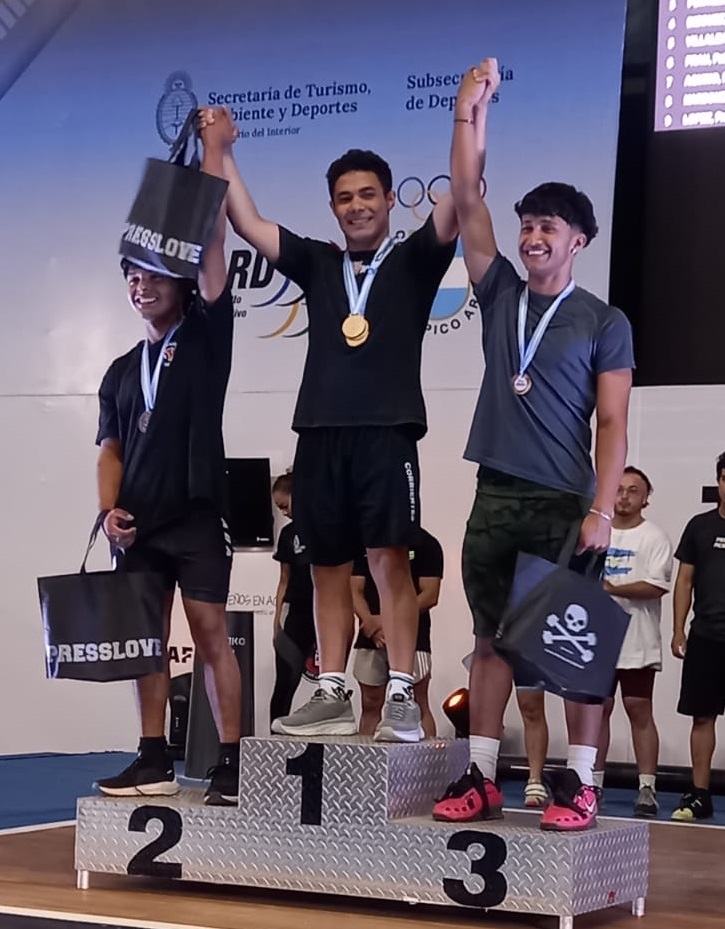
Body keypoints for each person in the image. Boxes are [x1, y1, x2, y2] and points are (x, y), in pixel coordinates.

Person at [199, 107, 458, 742]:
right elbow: (246, 221)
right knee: (326, 567)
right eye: (345, 198)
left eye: (368, 194)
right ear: (333, 207)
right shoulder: (318, 263)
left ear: (390, 199)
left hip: (387, 432)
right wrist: (222, 150)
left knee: (389, 561)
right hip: (319, 433)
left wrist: (467, 116)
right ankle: (333, 690)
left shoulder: (415, 262)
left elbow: (463, 194)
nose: (356, 206)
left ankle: (401, 693)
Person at [433, 59, 634, 831]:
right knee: (488, 642)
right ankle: (481, 777)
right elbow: (466, 195)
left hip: (561, 502)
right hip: (495, 493)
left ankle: (579, 785)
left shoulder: (603, 321)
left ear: (576, 240)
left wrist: (601, 510)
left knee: (571, 648)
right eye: (526, 225)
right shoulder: (498, 294)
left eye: (547, 226)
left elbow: (610, 423)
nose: (531, 235)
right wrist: (467, 110)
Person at [94, 120, 242, 806]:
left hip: (197, 515)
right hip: (139, 527)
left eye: (153, 273)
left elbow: (211, 244)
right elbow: (111, 448)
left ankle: (231, 761)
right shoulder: (122, 370)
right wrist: (108, 512)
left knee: (211, 634)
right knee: (144, 642)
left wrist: (214, 151)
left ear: (180, 284)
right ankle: (152, 756)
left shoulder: (207, 336)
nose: (141, 284)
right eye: (132, 276)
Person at [595, 466, 673, 817]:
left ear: (645, 499)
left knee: (638, 709)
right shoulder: (595, 532)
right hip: (597, 640)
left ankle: (647, 787)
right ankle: (592, 783)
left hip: (637, 639)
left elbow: (655, 586)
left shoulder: (654, 537)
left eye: (633, 491)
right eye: (619, 489)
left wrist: (611, 588)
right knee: (597, 711)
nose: (624, 496)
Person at [670, 451, 725, 822]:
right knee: (702, 718)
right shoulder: (699, 527)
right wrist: (678, 628)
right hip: (706, 636)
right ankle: (700, 795)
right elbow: (684, 580)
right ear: (719, 481)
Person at [352, 527, 444, 738]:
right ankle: (366, 756)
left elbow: (430, 594)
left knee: (417, 702)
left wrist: (387, 622)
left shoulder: (427, 544)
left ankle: (427, 756)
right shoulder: (364, 543)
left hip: (413, 638)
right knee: (370, 703)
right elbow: (354, 589)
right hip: (371, 636)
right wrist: (370, 622)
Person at [269, 470, 316, 727]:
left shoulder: (325, 525)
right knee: (285, 684)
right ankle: (274, 739)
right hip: (296, 615)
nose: (284, 513)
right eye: (279, 509)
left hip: (324, 613)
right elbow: (283, 580)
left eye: (285, 506)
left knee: (329, 684)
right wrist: (277, 621)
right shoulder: (288, 535)